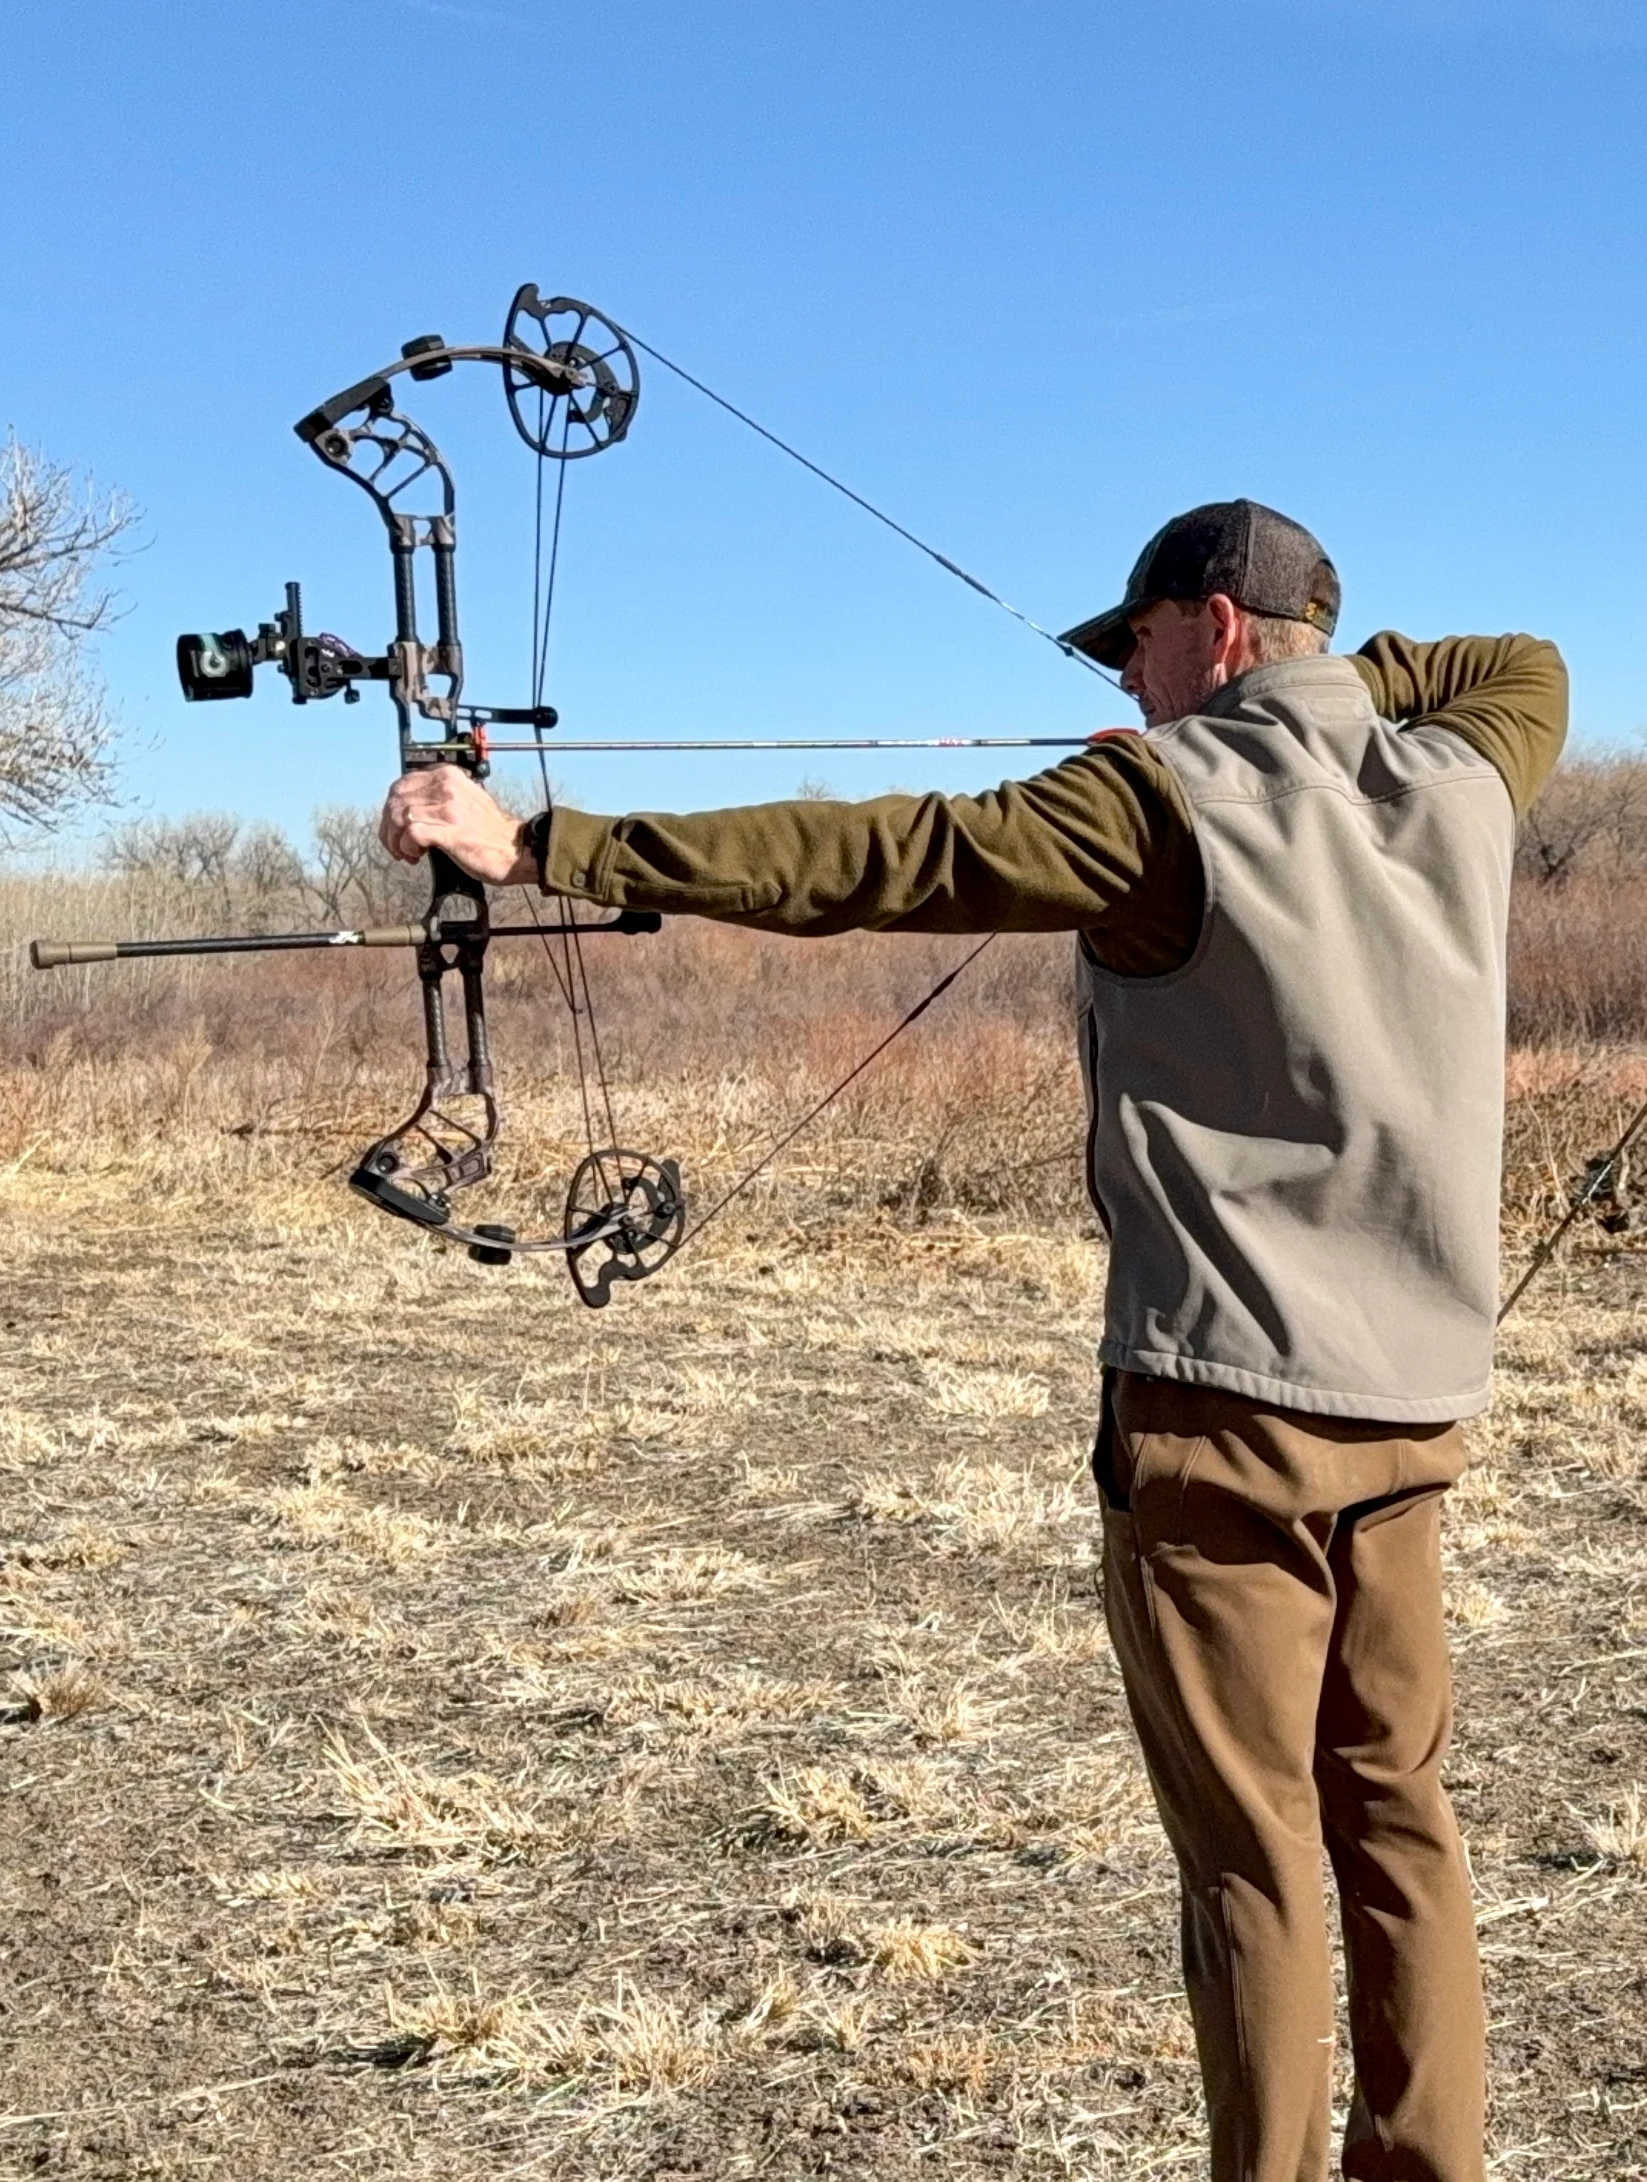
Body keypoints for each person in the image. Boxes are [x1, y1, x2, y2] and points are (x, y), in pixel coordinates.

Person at [380, 499, 1566, 2182]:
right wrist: (1305, 696)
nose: (1129, 679)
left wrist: (550, 845)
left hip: (1221, 1416)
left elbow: (879, 857)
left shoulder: (1157, 799)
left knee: (1251, 1860)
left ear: (1212, 628)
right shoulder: (1457, 774)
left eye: (1143, 645)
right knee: (1396, 1818)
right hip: (1412, 1416)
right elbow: (1522, 662)